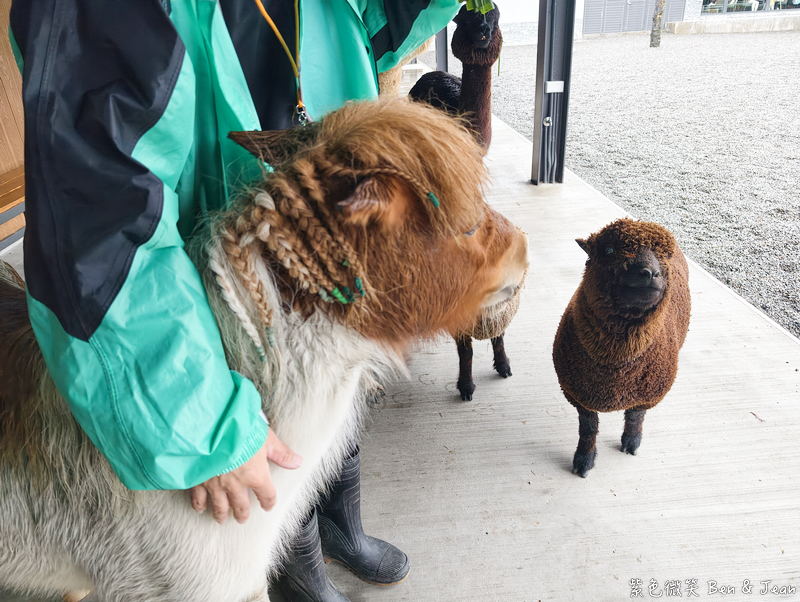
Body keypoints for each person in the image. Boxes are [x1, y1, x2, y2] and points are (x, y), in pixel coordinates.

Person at [10, 1, 462, 600]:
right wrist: (194, 419)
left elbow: (377, 17)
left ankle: (335, 530)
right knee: (262, 451)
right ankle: (293, 563)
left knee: (323, 399)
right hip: (202, 275)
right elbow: (95, 210)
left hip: (310, 190)